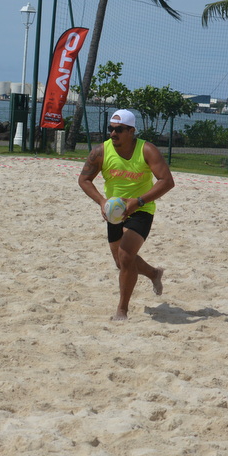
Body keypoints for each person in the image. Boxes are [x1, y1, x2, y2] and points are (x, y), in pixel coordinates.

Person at [78, 109, 175, 321]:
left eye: (119, 130)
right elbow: (84, 180)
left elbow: (167, 181)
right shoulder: (100, 152)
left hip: (141, 208)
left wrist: (138, 201)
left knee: (125, 255)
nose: (113, 134)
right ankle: (153, 273)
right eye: (110, 129)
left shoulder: (147, 150)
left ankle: (122, 310)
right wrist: (102, 201)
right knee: (121, 262)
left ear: (131, 131)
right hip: (113, 211)